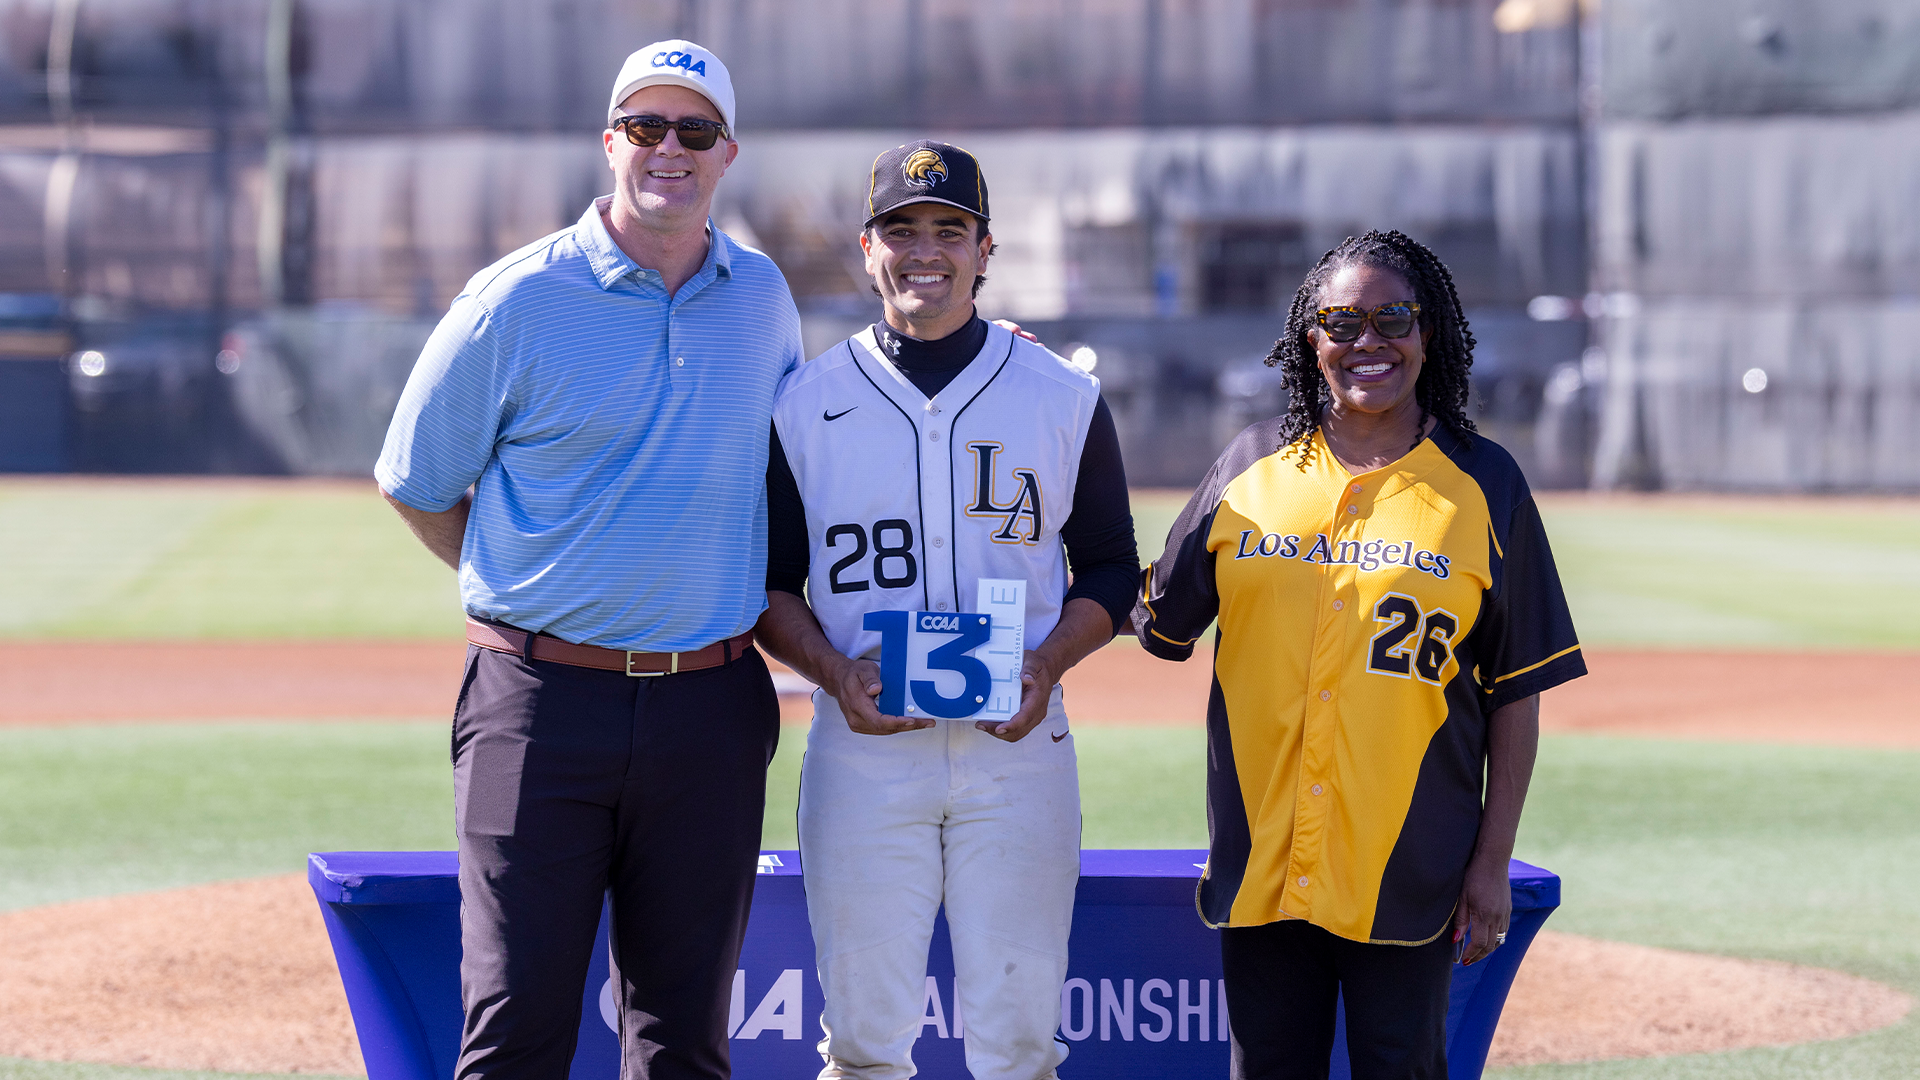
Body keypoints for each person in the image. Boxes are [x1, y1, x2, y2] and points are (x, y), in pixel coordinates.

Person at [374, 40, 803, 1080]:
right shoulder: (513, 299)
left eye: (693, 130)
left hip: (710, 708)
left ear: (728, 152)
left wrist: (982, 339)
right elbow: (415, 481)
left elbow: (816, 436)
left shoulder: (762, 296)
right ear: (610, 142)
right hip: (534, 708)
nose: (669, 149)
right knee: (515, 1030)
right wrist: (529, 593)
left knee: (683, 1042)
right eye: (646, 127)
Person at [1133, 230, 1586, 1080]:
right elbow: (1160, 615)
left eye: (1393, 319)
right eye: (1342, 322)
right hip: (1264, 864)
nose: (1366, 341)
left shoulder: (1485, 483)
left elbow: (1516, 693)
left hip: (1410, 869)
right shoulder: (1251, 466)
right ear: (1312, 339)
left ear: (1428, 333)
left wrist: (1491, 865)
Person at [753, 140, 1140, 1080]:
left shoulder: (1061, 396)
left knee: (1020, 1045)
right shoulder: (803, 403)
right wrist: (833, 672)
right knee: (862, 1045)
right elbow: (769, 586)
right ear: (868, 247)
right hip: (863, 755)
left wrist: (1046, 663)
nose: (924, 250)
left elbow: (1110, 571)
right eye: (901, 229)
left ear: (985, 248)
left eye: (949, 230)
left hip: (1019, 753)